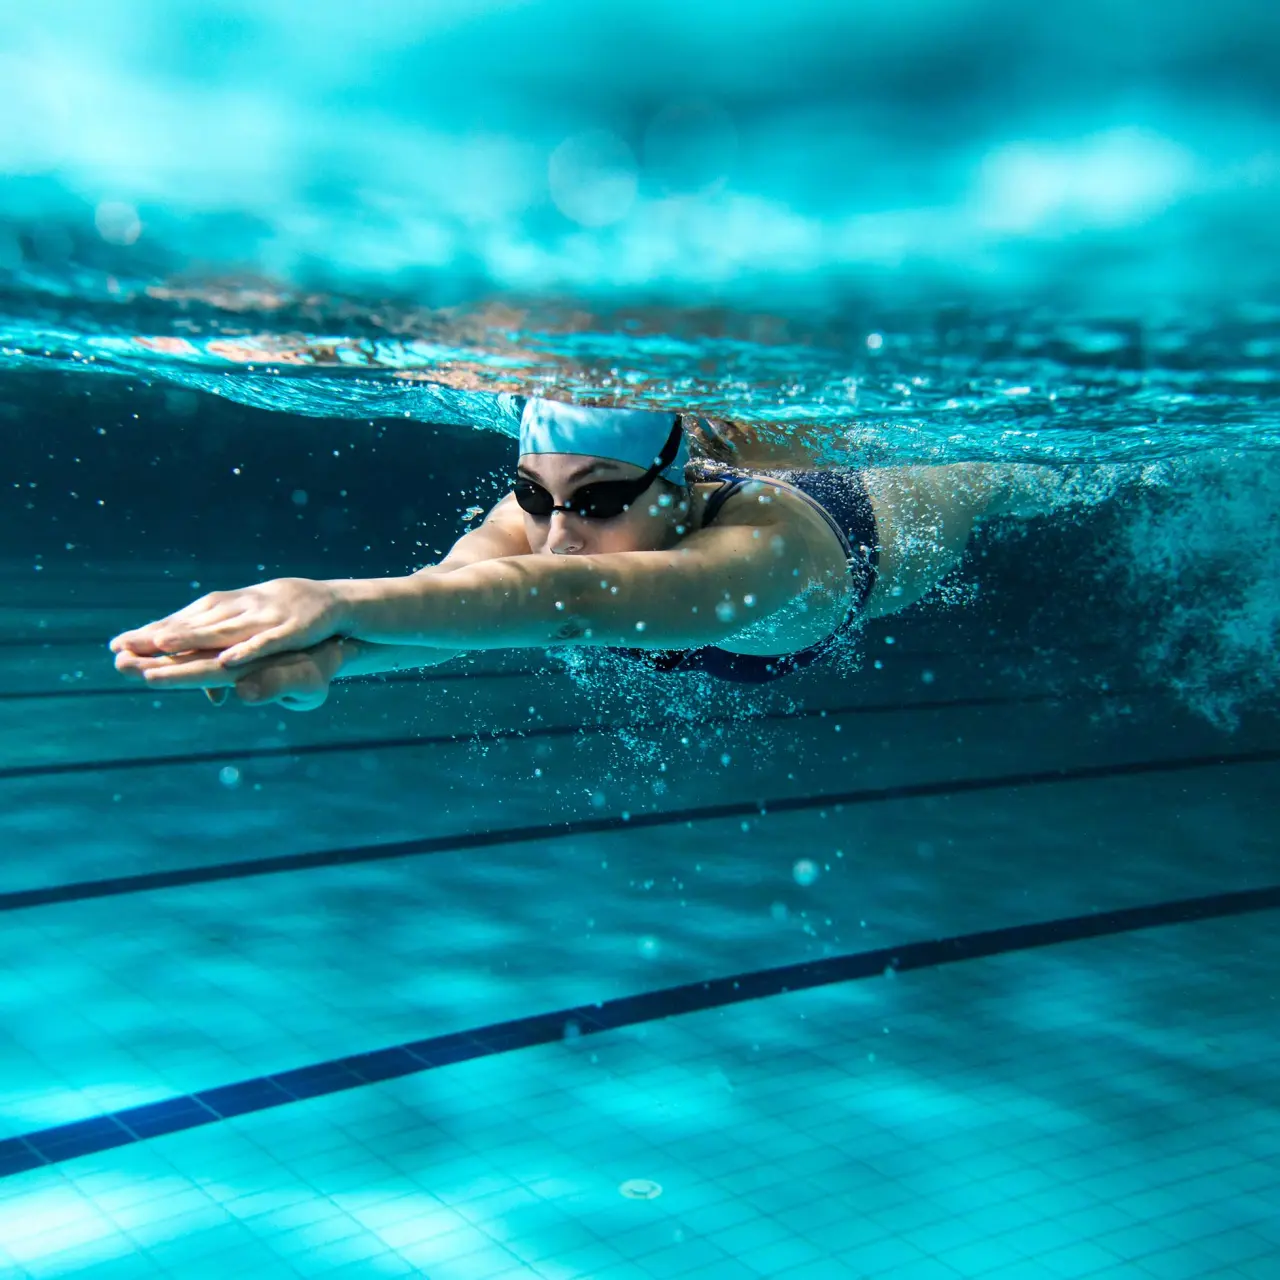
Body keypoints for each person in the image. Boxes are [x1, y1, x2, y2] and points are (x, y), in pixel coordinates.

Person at [110, 397, 1060, 709]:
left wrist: (324, 596)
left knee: (1013, 476)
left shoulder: (768, 552)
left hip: (879, 517)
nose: (558, 530)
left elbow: (574, 598)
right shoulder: (548, 517)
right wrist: (331, 660)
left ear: (679, 488)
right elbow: (453, 599)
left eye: (601, 501)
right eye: (535, 494)